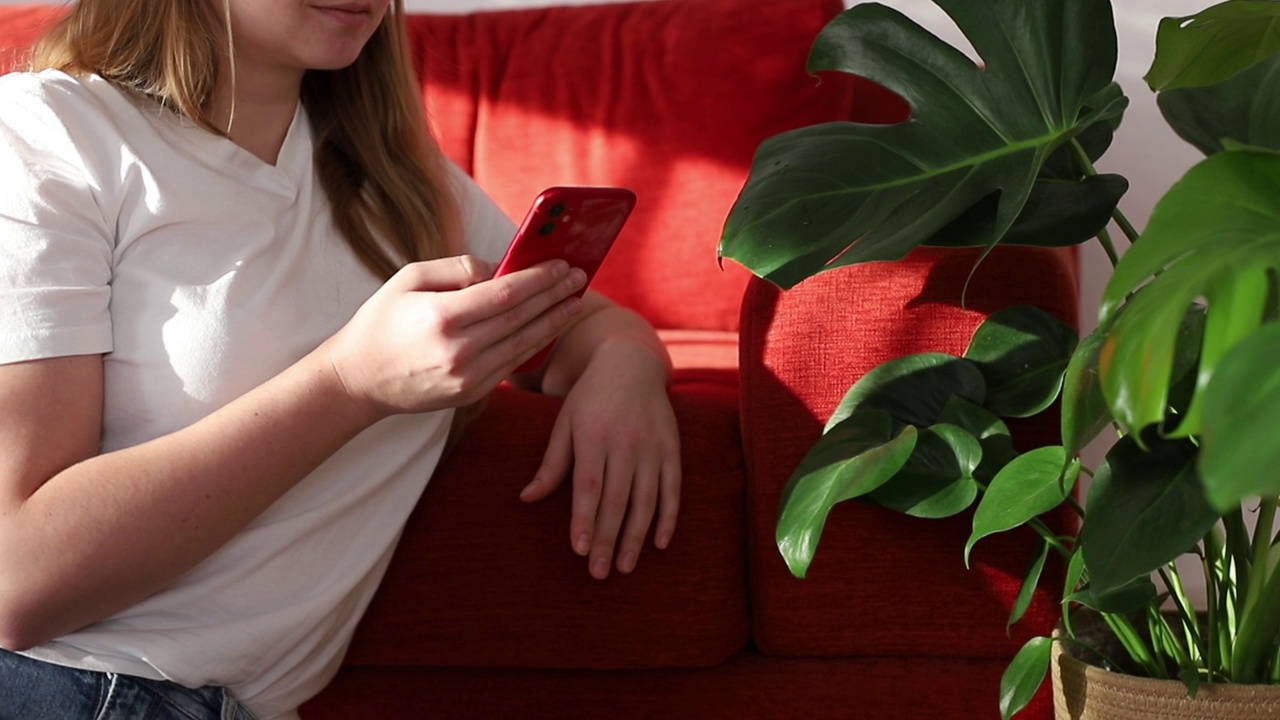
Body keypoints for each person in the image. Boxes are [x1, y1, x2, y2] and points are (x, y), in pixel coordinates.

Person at [0, 0, 682, 718]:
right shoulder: (50, 132)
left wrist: (626, 367)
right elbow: (17, 582)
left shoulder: (400, 186)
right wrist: (349, 384)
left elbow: (580, 322)